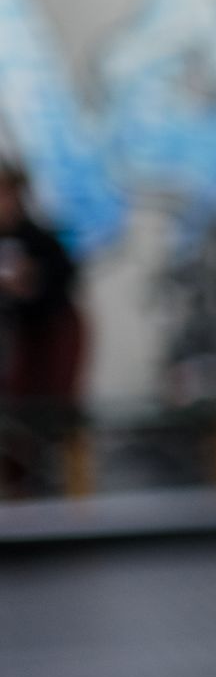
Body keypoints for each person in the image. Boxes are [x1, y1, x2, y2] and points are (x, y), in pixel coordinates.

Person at [0, 162, 86, 497]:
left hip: (46, 340)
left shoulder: (39, 240)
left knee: (49, 414)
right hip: (15, 344)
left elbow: (60, 283)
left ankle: (57, 486)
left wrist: (30, 282)